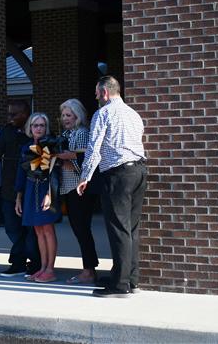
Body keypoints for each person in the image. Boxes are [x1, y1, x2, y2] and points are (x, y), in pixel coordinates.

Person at [77, 76, 147, 298]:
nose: (96, 97)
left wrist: (85, 176)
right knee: (131, 228)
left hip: (118, 174)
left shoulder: (103, 113)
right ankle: (129, 279)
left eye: (97, 93)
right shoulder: (133, 114)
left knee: (118, 229)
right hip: (139, 171)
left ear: (105, 93)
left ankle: (119, 285)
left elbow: (94, 147)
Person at [0, 100, 42, 278]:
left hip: (31, 188)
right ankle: (20, 261)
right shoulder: (6, 131)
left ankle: (32, 262)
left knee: (31, 230)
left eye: (14, 114)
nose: (10, 118)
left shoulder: (34, 133)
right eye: (9, 114)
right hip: (9, 188)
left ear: (25, 113)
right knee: (12, 228)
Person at [14, 112, 61, 283]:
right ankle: (42, 267)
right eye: (35, 125)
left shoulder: (51, 145)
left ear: (46, 128)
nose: (38, 128)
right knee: (38, 230)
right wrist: (18, 197)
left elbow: (54, 172)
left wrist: (50, 194)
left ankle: (50, 269)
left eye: (42, 125)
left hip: (46, 189)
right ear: (30, 128)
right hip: (29, 188)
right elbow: (21, 172)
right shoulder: (26, 148)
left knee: (47, 229)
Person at [56, 99, 99, 284]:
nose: (65, 118)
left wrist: (62, 160)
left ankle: (89, 271)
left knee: (82, 230)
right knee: (78, 229)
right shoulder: (67, 133)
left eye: (69, 115)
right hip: (69, 188)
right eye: (63, 115)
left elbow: (83, 165)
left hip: (79, 189)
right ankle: (89, 268)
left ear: (77, 116)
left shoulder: (81, 133)